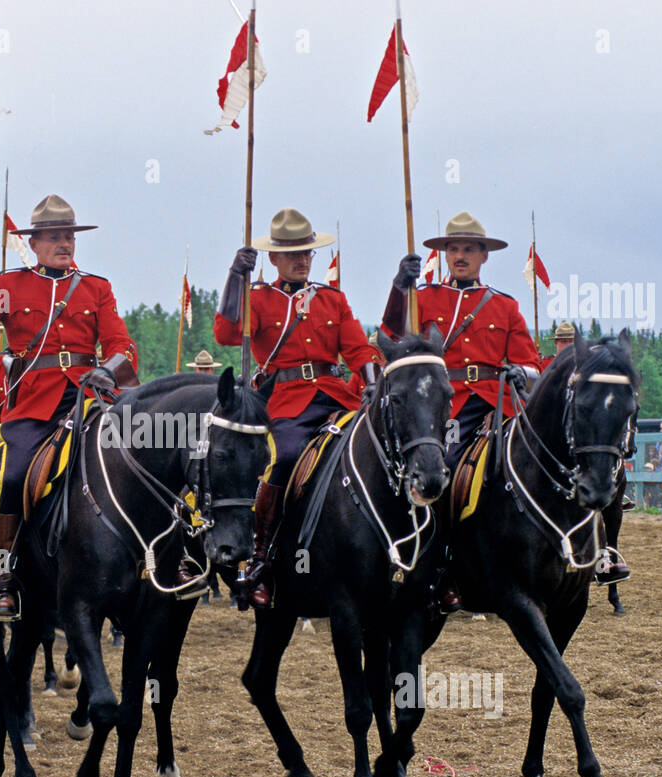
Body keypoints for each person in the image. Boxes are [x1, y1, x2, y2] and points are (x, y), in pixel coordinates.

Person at [0, 194, 138, 621]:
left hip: (90, 397)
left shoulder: (96, 287)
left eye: (69, 236)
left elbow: (121, 344)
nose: (64, 244)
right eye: (54, 237)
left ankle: (164, 553)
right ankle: (4, 574)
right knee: (13, 474)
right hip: (34, 405)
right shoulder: (9, 285)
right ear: (33, 244)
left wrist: (107, 369)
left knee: (146, 450)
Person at [214, 208, 377, 608]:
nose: (302, 260)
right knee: (284, 457)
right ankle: (262, 557)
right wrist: (235, 279)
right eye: (292, 254)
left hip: (337, 397)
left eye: (307, 253)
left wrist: (373, 383)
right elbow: (224, 333)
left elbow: (357, 348)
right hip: (285, 403)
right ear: (273, 259)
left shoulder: (331, 299)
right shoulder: (257, 298)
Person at [383, 213, 544, 610]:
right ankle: (442, 567)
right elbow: (390, 336)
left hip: (498, 400)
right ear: (444, 254)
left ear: (483, 256)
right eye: (453, 249)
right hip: (447, 403)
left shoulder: (505, 306)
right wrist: (399, 289)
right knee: (445, 469)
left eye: (468, 249)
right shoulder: (425, 297)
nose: (460, 256)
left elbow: (532, 364)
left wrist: (518, 372)